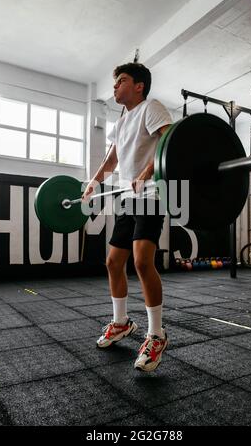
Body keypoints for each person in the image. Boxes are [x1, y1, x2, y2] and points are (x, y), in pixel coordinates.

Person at [82, 63, 172, 372]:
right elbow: (111, 159)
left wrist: (148, 173)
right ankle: (121, 323)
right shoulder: (121, 121)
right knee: (112, 262)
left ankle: (157, 335)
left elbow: (168, 140)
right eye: (115, 82)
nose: (115, 87)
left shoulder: (151, 108)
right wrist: (93, 184)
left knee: (143, 262)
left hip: (150, 196)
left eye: (122, 81)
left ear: (139, 86)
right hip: (127, 198)